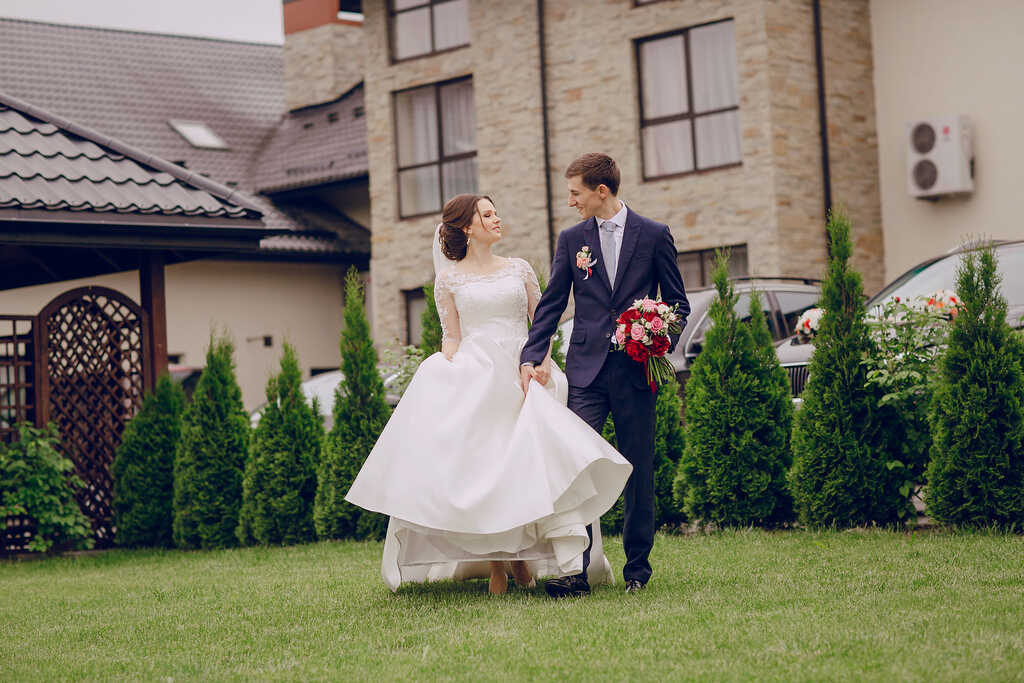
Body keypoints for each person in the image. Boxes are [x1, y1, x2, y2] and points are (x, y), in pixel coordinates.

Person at [345, 193, 632, 595]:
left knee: (524, 464)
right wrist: (443, 369)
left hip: (524, 368)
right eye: (487, 214)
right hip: (478, 370)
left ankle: (534, 560)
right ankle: (501, 564)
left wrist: (544, 361)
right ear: (467, 227)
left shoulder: (520, 269)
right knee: (486, 464)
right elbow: (452, 338)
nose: (497, 219)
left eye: (496, 211)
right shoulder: (449, 279)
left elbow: (542, 321)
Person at [521, 153, 689, 598]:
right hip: (586, 372)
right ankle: (577, 571)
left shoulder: (654, 235)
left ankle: (638, 570)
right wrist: (531, 354)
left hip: (636, 372)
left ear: (601, 191)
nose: (570, 201)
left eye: (575, 192)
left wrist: (656, 335)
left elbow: (679, 305)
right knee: (578, 468)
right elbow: (554, 301)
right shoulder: (571, 239)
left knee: (637, 469)